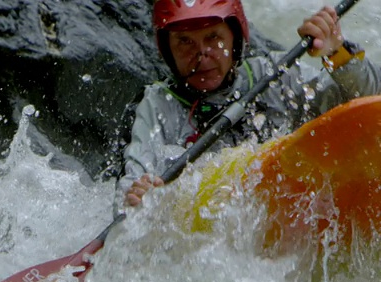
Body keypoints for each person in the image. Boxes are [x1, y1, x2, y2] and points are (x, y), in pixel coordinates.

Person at [116, 0, 381, 211]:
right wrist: (138, 196)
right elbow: (134, 176)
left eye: (213, 38)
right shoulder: (157, 105)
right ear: (167, 49)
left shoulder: (275, 76)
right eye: (185, 41)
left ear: (235, 39)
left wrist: (336, 53)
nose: (202, 55)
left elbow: (368, 99)